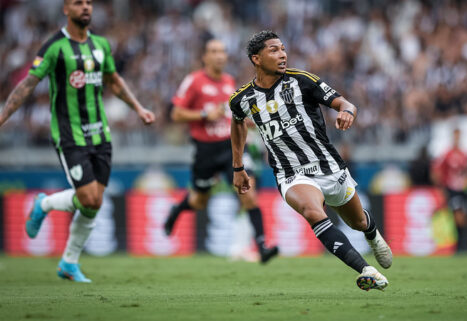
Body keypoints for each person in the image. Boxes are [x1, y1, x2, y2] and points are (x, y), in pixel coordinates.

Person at [0, 0, 155, 282]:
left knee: (93, 203)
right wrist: (2, 117)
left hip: (101, 135)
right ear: (65, 9)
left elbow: (114, 81)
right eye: (77, 3)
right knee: (88, 197)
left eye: (88, 3)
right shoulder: (54, 47)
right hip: (70, 135)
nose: (85, 7)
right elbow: (26, 86)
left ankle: (69, 263)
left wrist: (138, 107)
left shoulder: (101, 45)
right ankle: (44, 205)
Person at [230, 30, 392, 291]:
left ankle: (372, 233)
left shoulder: (302, 81)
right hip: (290, 173)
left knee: (357, 222)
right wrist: (238, 167)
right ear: (256, 59)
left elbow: (345, 103)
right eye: (274, 50)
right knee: (312, 211)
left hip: (329, 167)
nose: (282, 54)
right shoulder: (242, 99)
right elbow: (237, 124)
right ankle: (366, 269)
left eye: (283, 48)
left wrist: (347, 113)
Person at [162, 36, 278, 264]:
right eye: (214, 51)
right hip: (205, 151)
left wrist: (253, 121)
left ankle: (262, 246)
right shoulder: (194, 81)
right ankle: (177, 209)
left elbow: (232, 116)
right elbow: (175, 114)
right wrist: (204, 114)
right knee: (199, 202)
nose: (219, 55)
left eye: (222, 51)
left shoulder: (228, 82)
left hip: (230, 147)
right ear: (205, 56)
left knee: (248, 193)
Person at [431, 128, 467, 251]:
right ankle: (460, 246)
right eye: (455, 136)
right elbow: (436, 170)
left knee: (462, 217)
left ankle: (461, 244)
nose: (457, 139)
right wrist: (441, 187)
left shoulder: (465, 155)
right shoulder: (447, 154)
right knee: (457, 216)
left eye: (458, 136)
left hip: (462, 189)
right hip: (452, 189)